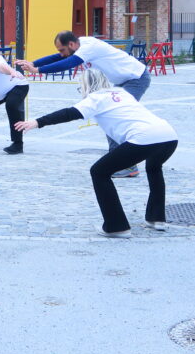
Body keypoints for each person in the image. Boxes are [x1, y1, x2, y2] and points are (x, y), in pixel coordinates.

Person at [15, 68, 178, 238]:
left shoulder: (95, 98)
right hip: (169, 136)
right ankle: (157, 219)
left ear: (85, 85)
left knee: (99, 172)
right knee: (154, 168)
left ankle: (117, 226)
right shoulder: (121, 92)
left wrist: (37, 122)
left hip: (144, 138)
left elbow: (68, 113)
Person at [17, 31, 151, 178]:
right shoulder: (79, 46)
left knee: (115, 117)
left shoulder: (88, 47)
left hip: (136, 79)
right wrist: (34, 63)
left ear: (72, 44)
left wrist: (38, 70)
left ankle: (128, 165)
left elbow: (69, 63)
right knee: (110, 119)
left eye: (62, 49)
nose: (61, 53)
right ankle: (121, 162)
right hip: (123, 81)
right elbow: (60, 57)